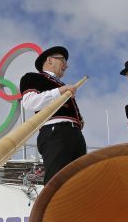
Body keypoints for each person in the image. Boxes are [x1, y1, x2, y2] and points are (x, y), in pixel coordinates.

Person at [19, 46, 87, 184]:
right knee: (57, 180)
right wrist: (59, 92)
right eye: (63, 60)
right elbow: (30, 102)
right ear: (50, 60)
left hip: (75, 133)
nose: (66, 66)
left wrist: (79, 119)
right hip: (55, 132)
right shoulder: (32, 77)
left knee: (80, 181)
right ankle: (53, 206)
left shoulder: (62, 85)